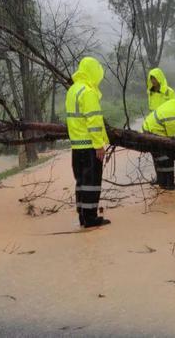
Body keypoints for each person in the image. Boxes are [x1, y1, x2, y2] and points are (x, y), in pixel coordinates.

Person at [65, 57, 111, 228]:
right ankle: (91, 218)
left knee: (81, 183)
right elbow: (94, 121)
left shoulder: (73, 90)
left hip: (76, 147)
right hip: (90, 146)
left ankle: (83, 217)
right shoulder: (88, 92)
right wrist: (99, 144)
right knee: (92, 183)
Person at [142, 97, 175, 190]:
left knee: (158, 157)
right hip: (153, 133)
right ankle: (167, 184)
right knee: (166, 157)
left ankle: (160, 179)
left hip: (148, 129)